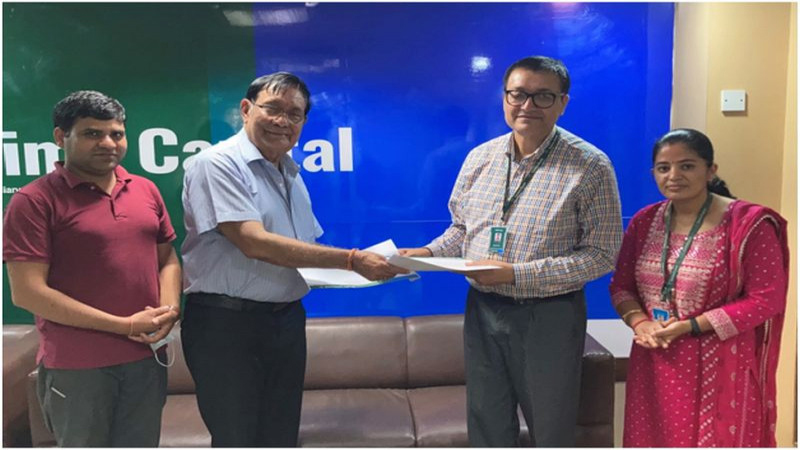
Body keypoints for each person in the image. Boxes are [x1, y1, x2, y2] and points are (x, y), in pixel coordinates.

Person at [400, 56, 623, 447]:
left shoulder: (590, 165)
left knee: (550, 428)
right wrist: (426, 251)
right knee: (486, 423)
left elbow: (601, 254)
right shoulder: (480, 158)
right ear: (504, 98)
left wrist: (517, 274)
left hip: (549, 316)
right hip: (483, 309)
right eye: (518, 94)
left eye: (543, 96)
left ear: (563, 103)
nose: (527, 105)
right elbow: (462, 230)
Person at [180, 71, 407, 447]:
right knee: (237, 437)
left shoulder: (289, 172)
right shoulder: (217, 163)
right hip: (227, 326)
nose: (282, 121)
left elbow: (300, 248)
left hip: (284, 322)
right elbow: (253, 242)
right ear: (246, 109)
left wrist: (379, 265)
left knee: (281, 435)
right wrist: (353, 260)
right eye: (272, 108)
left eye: (294, 114)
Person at [2, 90, 181, 447]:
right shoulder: (33, 201)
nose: (108, 143)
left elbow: (168, 259)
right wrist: (124, 325)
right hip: (78, 368)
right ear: (60, 137)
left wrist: (170, 308)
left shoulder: (145, 190)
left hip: (146, 360)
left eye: (116, 133)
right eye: (92, 134)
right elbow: (27, 292)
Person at [609, 128, 789, 447]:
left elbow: (766, 299)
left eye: (687, 166)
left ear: (710, 170)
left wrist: (690, 326)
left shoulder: (749, 224)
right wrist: (641, 323)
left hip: (721, 364)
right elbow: (621, 287)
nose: (674, 175)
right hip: (654, 360)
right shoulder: (644, 222)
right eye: (663, 168)